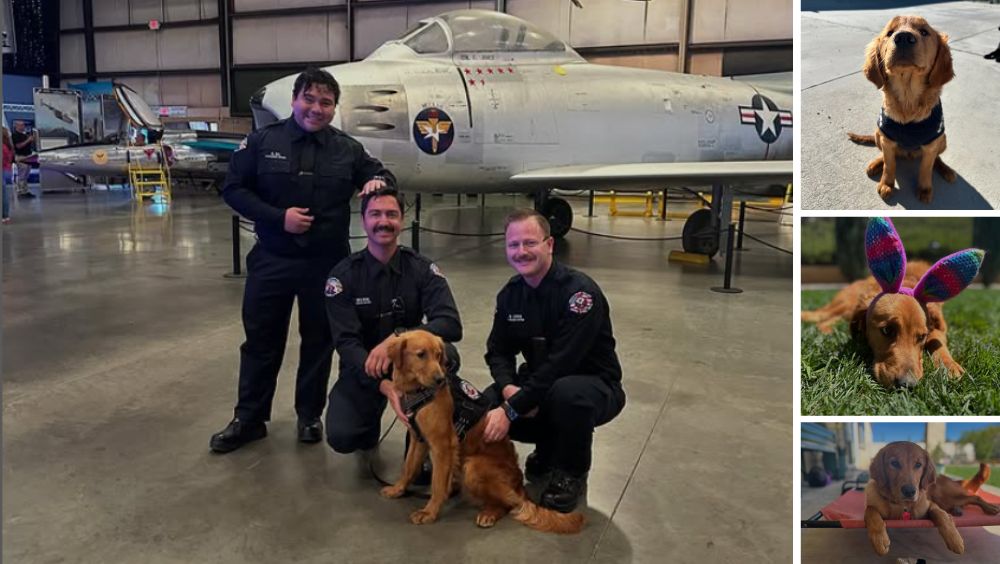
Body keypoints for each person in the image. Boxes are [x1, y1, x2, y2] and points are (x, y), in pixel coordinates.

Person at [210, 67, 396, 453]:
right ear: (295, 100)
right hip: (272, 259)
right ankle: (249, 418)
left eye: (325, 102)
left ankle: (309, 415)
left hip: (326, 266)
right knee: (261, 341)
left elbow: (380, 176)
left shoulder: (347, 149)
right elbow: (233, 189)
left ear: (334, 108)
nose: (316, 108)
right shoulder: (262, 141)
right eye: (309, 99)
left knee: (319, 341)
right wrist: (279, 217)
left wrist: (378, 182)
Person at [481, 209, 626, 513]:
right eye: (513, 245)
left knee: (566, 394)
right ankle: (547, 450)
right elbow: (498, 351)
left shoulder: (579, 294)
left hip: (593, 386)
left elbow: (561, 364)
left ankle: (570, 472)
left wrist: (512, 408)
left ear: (549, 245)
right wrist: (508, 390)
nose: (521, 252)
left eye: (530, 243)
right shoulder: (510, 295)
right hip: (540, 383)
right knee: (485, 403)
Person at [323, 187, 462, 456]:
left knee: (449, 356)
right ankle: (368, 417)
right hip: (365, 368)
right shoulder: (343, 277)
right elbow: (346, 344)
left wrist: (398, 339)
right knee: (344, 436)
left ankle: (422, 439)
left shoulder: (421, 269)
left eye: (391, 214)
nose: (384, 221)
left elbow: (450, 323)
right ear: (363, 220)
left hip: (412, 364)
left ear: (401, 220)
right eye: (375, 214)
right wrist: (385, 386)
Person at [11, 121, 35, 198]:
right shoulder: (15, 135)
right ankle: (20, 191)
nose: (23, 126)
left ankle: (25, 191)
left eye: (23, 125)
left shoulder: (24, 135)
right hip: (21, 157)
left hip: (28, 156)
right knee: (22, 175)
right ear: (16, 126)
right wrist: (28, 140)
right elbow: (18, 146)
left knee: (26, 175)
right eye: (21, 125)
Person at [2, 127, 14, 223]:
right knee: (4, 193)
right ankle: (5, 216)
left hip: (2, 170)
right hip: (7, 170)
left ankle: (4, 216)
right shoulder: (8, 145)